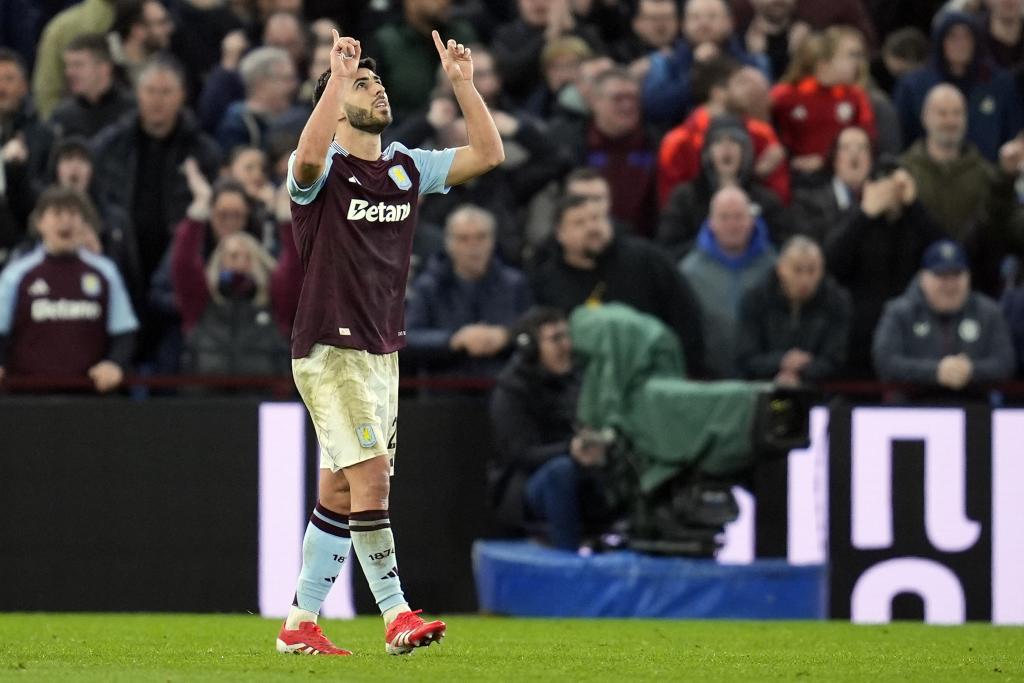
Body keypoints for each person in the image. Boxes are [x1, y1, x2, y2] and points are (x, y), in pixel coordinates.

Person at [277, 30, 504, 655]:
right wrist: (333, 75)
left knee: (342, 491)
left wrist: (462, 83)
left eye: (377, 82)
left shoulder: (406, 167)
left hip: (382, 353)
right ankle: (396, 614)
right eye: (361, 84)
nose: (376, 88)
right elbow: (302, 159)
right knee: (373, 480)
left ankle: (300, 621)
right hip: (329, 348)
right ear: (334, 100)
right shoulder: (321, 172)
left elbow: (488, 154)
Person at [530, 193, 707, 378]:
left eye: (597, 218)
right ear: (560, 233)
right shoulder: (547, 282)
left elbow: (686, 315)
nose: (592, 228)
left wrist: (687, 372)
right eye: (579, 223)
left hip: (653, 378)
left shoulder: (646, 260)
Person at [489, 307, 614, 551]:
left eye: (567, 336)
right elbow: (520, 454)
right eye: (556, 339)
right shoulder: (511, 390)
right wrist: (571, 449)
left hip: (581, 466)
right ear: (532, 349)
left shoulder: (577, 377)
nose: (566, 346)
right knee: (561, 471)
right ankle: (567, 560)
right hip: (529, 482)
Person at [0, 186, 137, 392]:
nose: (66, 221)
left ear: (85, 223)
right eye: (57, 213)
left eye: (73, 214)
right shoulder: (17, 273)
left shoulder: (105, 271)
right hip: (27, 397)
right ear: (40, 223)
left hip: (87, 397)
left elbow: (124, 331)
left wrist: (114, 364)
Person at [825, 156, 946, 377]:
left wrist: (914, 205)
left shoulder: (917, 222)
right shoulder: (853, 220)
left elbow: (944, 254)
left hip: (914, 331)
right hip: (861, 334)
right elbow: (832, 265)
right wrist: (865, 214)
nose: (890, 192)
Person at [405, 205, 532, 376]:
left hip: (503, 384)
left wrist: (507, 336)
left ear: (492, 241)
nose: (473, 246)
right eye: (463, 239)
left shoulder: (515, 284)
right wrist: (454, 339)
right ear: (448, 244)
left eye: (481, 237)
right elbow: (409, 338)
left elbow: (533, 332)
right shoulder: (428, 286)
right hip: (444, 387)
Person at [873, 239, 1015, 392]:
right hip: (912, 408)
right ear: (923, 278)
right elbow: (885, 363)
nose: (950, 284)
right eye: (941, 275)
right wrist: (936, 371)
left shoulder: (989, 312)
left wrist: (970, 371)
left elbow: (1005, 362)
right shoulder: (898, 312)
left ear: (968, 276)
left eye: (956, 274)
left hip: (976, 407)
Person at [658, 113, 793, 260]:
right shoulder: (686, 198)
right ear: (707, 153)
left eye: (734, 142)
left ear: (746, 151)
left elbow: (783, 249)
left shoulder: (766, 200)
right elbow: (668, 249)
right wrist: (711, 245)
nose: (726, 148)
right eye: (718, 142)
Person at [894, 11, 1023, 162]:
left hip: (989, 176)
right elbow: (903, 135)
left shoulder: (1000, 83)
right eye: (952, 37)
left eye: (967, 37)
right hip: (926, 174)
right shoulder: (914, 85)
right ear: (940, 41)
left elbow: (1013, 132)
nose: (960, 44)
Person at [679, 185, 777, 378]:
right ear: (711, 223)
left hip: (763, 378)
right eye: (724, 217)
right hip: (708, 381)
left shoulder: (775, 269)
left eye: (739, 216)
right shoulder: (688, 273)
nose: (732, 225)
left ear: (751, 220)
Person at [737, 236, 851, 385]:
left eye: (812, 270)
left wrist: (803, 369)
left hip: (818, 393)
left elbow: (836, 360)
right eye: (797, 270)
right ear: (781, 269)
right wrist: (781, 362)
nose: (805, 279)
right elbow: (745, 357)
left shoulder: (836, 302)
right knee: (778, 406)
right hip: (764, 391)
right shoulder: (756, 299)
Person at [770, 27, 877, 182]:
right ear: (825, 63)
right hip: (796, 178)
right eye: (850, 56)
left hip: (841, 178)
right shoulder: (785, 95)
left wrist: (825, 162)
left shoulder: (856, 97)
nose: (858, 64)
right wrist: (790, 160)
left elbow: (868, 139)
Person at [790, 125, 874, 245]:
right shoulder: (808, 201)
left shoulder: (884, 200)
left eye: (862, 148)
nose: (855, 155)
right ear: (834, 158)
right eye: (846, 148)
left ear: (871, 159)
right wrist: (863, 212)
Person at [50, 32, 135, 139]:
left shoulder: (132, 111)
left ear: (104, 68)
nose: (69, 73)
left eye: (78, 65)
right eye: (68, 66)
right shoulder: (62, 115)